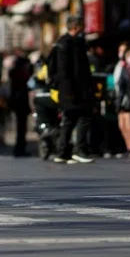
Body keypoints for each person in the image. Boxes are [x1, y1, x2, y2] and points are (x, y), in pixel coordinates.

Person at [52, 15, 95, 164]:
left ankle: (62, 152)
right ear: (76, 27)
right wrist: (70, 92)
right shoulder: (70, 44)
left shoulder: (63, 43)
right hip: (74, 90)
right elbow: (67, 70)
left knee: (69, 120)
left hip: (69, 90)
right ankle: (79, 150)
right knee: (84, 116)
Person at [115, 44, 130, 157]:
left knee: (129, 125)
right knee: (122, 125)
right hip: (121, 98)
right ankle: (129, 147)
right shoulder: (122, 67)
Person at [8, 53, 33, 157]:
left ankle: (20, 148)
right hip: (20, 102)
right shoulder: (19, 74)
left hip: (17, 102)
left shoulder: (14, 72)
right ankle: (20, 149)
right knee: (21, 128)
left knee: (21, 128)